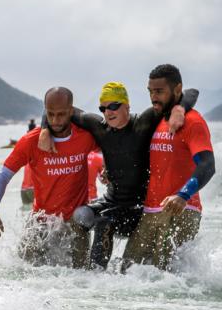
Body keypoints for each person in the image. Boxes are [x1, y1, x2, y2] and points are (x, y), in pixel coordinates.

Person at [37, 82, 198, 270]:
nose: (108, 111)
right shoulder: (99, 126)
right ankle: (82, 271)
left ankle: (100, 274)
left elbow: (192, 92)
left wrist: (179, 109)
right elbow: (58, 109)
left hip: (140, 208)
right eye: (103, 108)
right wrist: (44, 129)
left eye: (114, 106)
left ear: (127, 106)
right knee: (80, 216)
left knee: (107, 224)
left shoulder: (143, 123)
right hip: (112, 202)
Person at [0, 87, 96, 268]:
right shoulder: (31, 141)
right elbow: (3, 176)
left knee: (81, 277)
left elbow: (113, 149)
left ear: (71, 111)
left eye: (61, 114)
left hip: (75, 224)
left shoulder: (86, 136)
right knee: (21, 271)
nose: (55, 121)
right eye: (50, 114)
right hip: (41, 222)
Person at [122, 64, 215, 271]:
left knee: (166, 279)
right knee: (126, 271)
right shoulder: (159, 118)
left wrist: (183, 195)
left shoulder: (192, 122)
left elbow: (208, 165)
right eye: (150, 91)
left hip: (181, 209)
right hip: (151, 210)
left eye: (159, 91)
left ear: (177, 89)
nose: (154, 97)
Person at [20, 119, 37, 205]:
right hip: (33, 187)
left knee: (25, 213)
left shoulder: (24, 141)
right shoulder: (39, 141)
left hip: (23, 188)